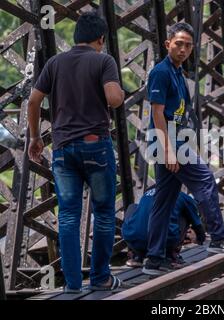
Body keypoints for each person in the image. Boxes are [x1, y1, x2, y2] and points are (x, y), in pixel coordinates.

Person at [27, 12, 127, 292]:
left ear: (76, 37)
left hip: (62, 149)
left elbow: (33, 102)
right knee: (104, 212)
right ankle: (100, 278)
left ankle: (72, 284)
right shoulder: (103, 60)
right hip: (96, 145)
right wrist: (119, 90)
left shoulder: (54, 63)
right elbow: (114, 99)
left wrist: (36, 137)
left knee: (69, 215)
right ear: (101, 38)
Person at [143, 22, 224, 276]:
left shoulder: (177, 71)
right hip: (170, 142)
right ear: (167, 44)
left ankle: (154, 258)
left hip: (176, 140)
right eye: (178, 44)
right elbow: (157, 114)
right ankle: (218, 238)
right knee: (205, 181)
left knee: (164, 200)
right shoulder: (161, 72)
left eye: (188, 45)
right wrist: (169, 150)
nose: (183, 49)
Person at [122, 186, 206, 268]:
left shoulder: (147, 194)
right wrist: (201, 239)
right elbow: (197, 224)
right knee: (185, 213)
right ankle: (171, 256)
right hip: (163, 243)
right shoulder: (182, 196)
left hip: (134, 241)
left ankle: (136, 256)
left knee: (133, 207)